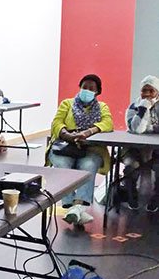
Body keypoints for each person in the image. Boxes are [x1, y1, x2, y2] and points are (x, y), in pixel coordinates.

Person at [46, 74, 113, 226]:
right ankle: (75, 208)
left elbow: (108, 123)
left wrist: (87, 133)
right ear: (79, 87)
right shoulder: (67, 104)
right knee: (63, 165)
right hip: (65, 146)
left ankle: (75, 208)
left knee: (88, 165)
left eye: (91, 88)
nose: (87, 90)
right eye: (84, 87)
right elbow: (57, 122)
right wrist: (68, 135)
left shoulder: (102, 107)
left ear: (98, 92)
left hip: (91, 148)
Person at [122, 75, 159, 212]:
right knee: (130, 167)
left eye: (151, 91)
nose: (147, 94)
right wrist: (144, 109)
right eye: (144, 91)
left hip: (155, 151)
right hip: (134, 149)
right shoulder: (133, 107)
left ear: (158, 93)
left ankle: (155, 199)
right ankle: (132, 197)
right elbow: (138, 129)